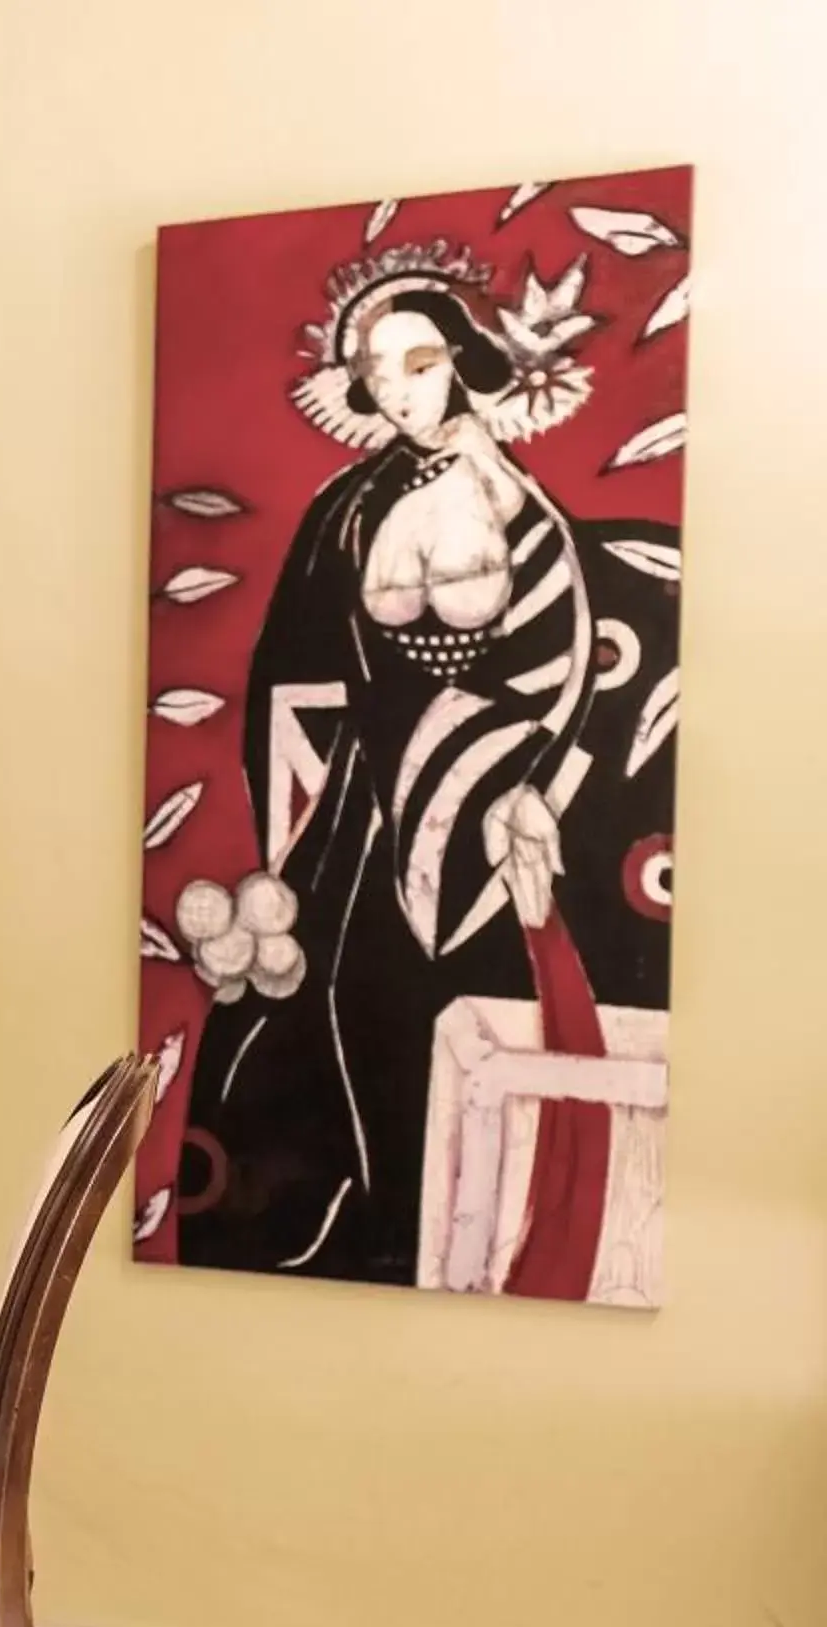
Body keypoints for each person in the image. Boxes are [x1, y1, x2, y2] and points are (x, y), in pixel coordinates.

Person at [173, 246, 678, 1292]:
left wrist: (522, 785)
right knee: (320, 1020)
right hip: (356, 810)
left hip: (484, 801)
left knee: (450, 1015)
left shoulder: (524, 510)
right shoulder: (344, 508)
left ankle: (437, 1237)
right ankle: (337, 1240)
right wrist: (293, 834)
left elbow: (560, 663)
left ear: (464, 363)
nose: (400, 388)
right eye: (379, 369)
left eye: (420, 361)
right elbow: (293, 673)